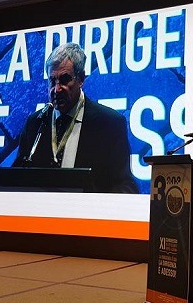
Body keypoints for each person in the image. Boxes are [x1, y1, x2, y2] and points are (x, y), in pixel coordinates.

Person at [14, 42, 138, 193]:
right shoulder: (35, 123)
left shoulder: (109, 124)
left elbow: (125, 185)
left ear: (81, 79)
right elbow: (15, 179)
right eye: (52, 81)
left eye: (65, 80)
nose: (57, 89)